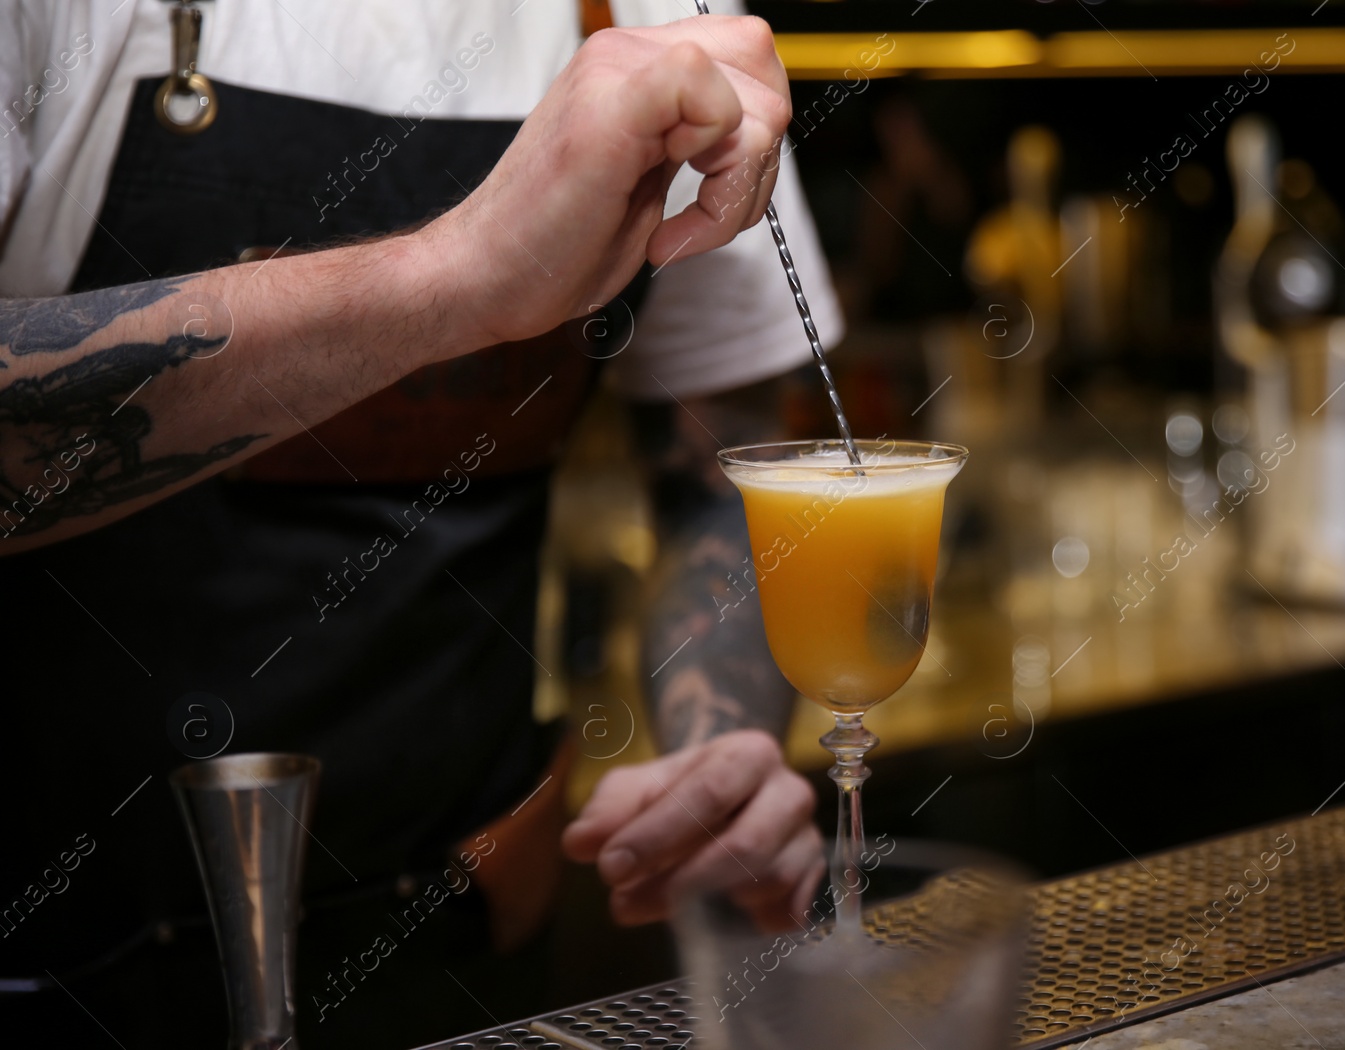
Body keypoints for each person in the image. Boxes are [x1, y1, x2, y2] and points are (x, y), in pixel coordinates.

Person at [0, 1, 834, 1045]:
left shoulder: (663, 18)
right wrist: (448, 279)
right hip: (60, 964)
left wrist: (722, 741)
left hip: (467, 944)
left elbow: (726, 467)